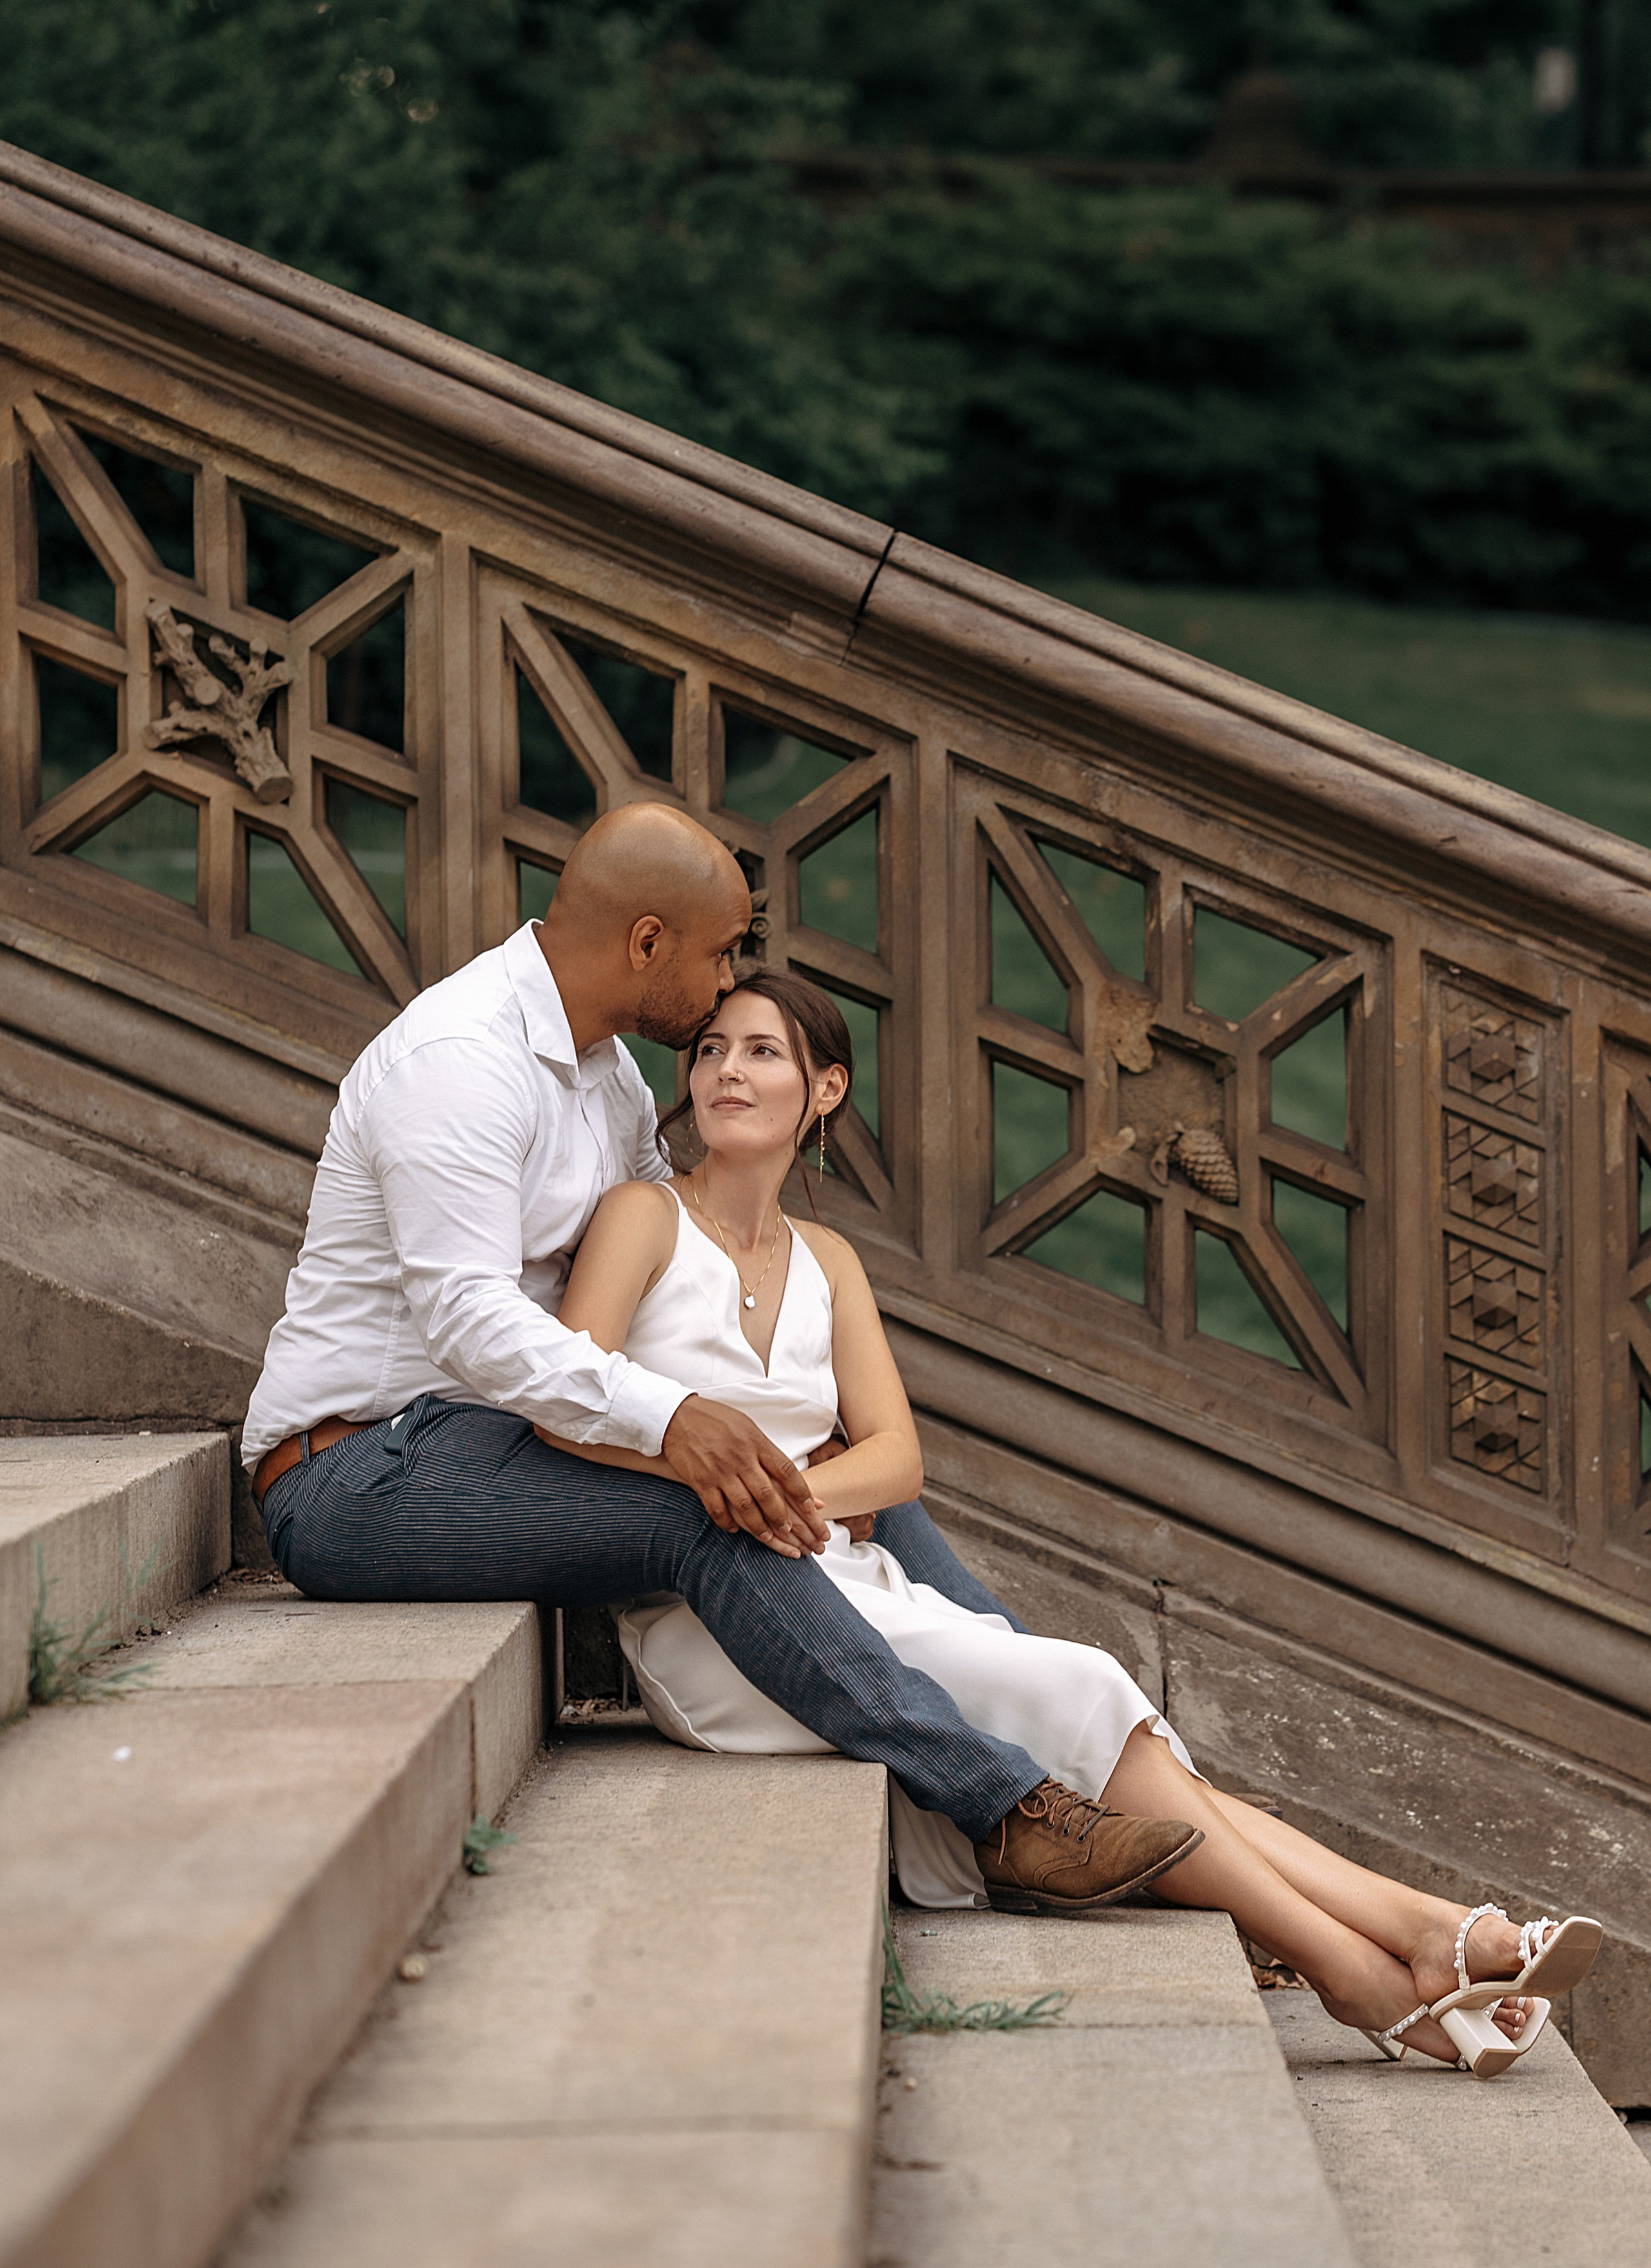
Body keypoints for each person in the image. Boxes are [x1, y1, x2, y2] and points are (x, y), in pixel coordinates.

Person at [541, 962, 1604, 2078]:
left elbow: (898, 1455)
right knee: (1085, 1687)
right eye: (711, 1050)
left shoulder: (832, 1262)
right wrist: (724, 1478)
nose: (725, 1071)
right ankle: (1392, 1959)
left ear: (827, 1090)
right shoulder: (642, 1219)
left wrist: (797, 1492)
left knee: (1110, 1733)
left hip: (847, 1579)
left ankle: (1412, 1953)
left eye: (761, 1051)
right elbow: (567, 1410)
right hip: (714, 1620)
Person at [242, 803, 1201, 1915]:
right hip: (354, 1471)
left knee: (863, 1497)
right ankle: (1004, 1807)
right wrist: (676, 1422)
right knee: (704, 1503)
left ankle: (1085, 1769)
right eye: (719, 952)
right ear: (648, 943)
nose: (726, 977)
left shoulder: (605, 1080)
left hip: (488, 1436)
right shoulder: (462, 1060)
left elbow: (662, 1280)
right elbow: (467, 1318)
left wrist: (781, 1432)